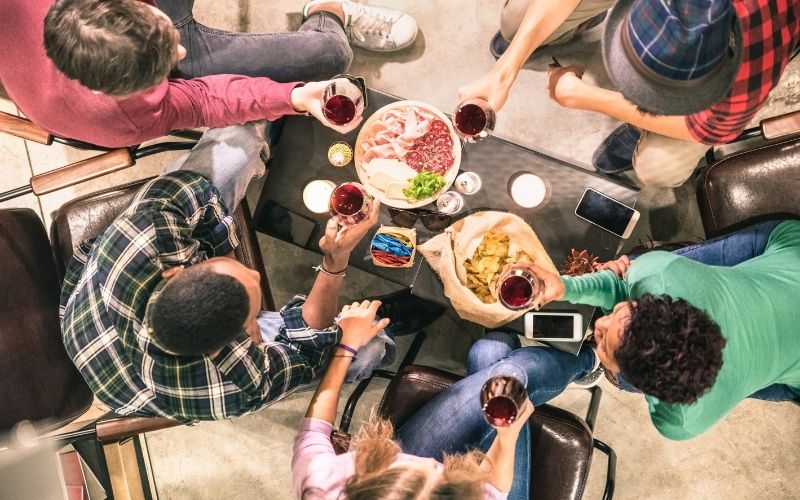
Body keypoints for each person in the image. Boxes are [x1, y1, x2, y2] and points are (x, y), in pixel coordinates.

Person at [59, 121, 396, 422]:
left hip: (84, 318)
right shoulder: (237, 384)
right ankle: (390, 314)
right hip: (131, 387)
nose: (257, 275)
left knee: (242, 131)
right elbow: (307, 352)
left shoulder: (145, 231)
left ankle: (274, 133)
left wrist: (225, 247)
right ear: (232, 342)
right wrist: (335, 261)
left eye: (237, 272)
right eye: (252, 317)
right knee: (372, 347)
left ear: (175, 273)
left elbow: (199, 196)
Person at [397, 219, 800, 444]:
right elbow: (622, 286)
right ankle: (589, 362)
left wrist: (618, 357)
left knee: (490, 353)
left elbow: (622, 298)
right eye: (619, 316)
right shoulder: (659, 272)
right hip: (792, 250)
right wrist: (564, 286)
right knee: (489, 353)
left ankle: (591, 362)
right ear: (656, 300)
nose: (598, 322)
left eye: (602, 338)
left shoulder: (678, 423)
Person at [460, 0, 800, 188]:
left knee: (658, 169)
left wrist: (590, 98)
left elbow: (713, 127)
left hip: (765, 29)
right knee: (519, 20)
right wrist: (504, 71)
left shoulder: (753, 56)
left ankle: (644, 128)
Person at [0, 0, 417, 147]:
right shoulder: (121, 116)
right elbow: (201, 99)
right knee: (328, 53)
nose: (179, 49)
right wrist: (291, 97)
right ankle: (330, 10)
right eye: (168, 62)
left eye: (169, 39)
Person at [293, 301, 534, 499]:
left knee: (490, 350)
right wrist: (507, 437)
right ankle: (572, 359)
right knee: (503, 365)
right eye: (439, 476)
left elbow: (313, 432)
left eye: (395, 466)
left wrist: (347, 346)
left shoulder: (321, 487)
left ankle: (510, 336)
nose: (433, 463)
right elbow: (494, 490)